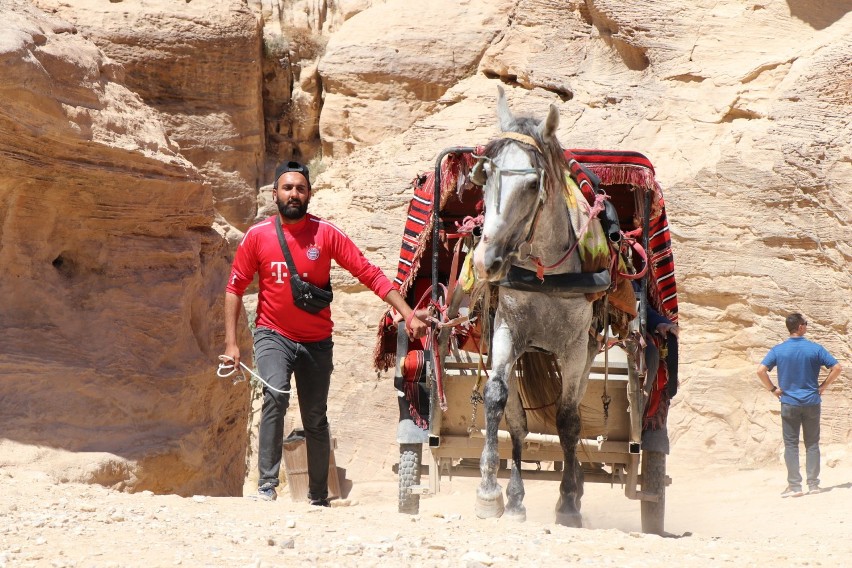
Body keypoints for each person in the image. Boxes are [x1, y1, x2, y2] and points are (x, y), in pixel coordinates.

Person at [223, 160, 428, 506]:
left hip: (317, 342)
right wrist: (231, 343)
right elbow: (234, 288)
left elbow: (369, 273)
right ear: (275, 194)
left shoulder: (326, 233)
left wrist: (407, 313)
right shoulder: (257, 237)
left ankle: (318, 496)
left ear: (309, 195)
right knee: (275, 396)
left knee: (314, 416)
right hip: (272, 334)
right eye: (287, 188)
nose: (294, 194)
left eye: (300, 188)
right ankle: (266, 487)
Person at [756, 313, 841, 498]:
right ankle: (813, 484)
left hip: (789, 402)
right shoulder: (815, 349)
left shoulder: (778, 350)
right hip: (811, 401)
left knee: (791, 444)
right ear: (801, 327)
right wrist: (823, 386)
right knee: (812, 444)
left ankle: (795, 486)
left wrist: (773, 390)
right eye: (806, 324)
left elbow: (760, 370)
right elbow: (837, 367)